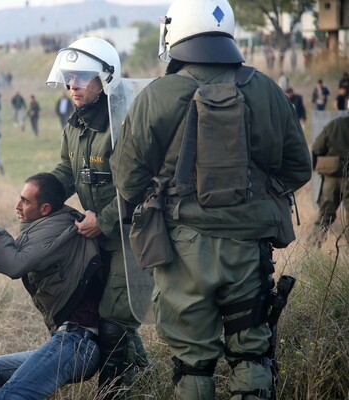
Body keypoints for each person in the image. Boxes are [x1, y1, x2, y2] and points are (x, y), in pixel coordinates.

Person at [110, 1, 312, 399]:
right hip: (250, 247)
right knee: (252, 356)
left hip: (183, 250)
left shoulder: (157, 95)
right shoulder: (267, 89)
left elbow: (128, 181)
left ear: (175, 32)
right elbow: (298, 169)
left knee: (192, 366)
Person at [46, 36, 148, 399]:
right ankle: (145, 381)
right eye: (69, 76)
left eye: (82, 77)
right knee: (110, 317)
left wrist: (101, 221)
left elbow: (137, 187)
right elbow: (66, 169)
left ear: (104, 79)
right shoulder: (75, 124)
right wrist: (41, 197)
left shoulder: (123, 123)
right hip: (97, 238)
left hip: (131, 236)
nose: (73, 84)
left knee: (113, 321)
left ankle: (115, 393)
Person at [0, 173, 104, 399]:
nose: (17, 206)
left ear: (45, 209)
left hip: (78, 343)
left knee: (8, 396)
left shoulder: (57, 229)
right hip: (67, 340)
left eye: (25, 201)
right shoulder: (51, 223)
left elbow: (15, 265)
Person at [308, 114, 349, 247]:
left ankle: (311, 250)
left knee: (325, 215)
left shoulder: (335, 124)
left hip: (332, 177)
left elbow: (317, 147)